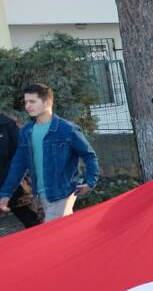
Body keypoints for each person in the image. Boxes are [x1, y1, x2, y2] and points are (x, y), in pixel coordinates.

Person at [0, 84, 99, 222]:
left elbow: (89, 155)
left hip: (63, 192)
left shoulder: (67, 129)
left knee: (53, 235)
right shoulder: (26, 131)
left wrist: (90, 181)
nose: (27, 106)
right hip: (41, 194)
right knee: (63, 235)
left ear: (47, 102)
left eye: (32, 101)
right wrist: (6, 192)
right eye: (26, 102)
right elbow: (18, 164)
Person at [0, 112, 42, 228]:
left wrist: (7, 186)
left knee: (36, 227)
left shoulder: (9, 125)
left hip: (17, 189)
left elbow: (22, 158)